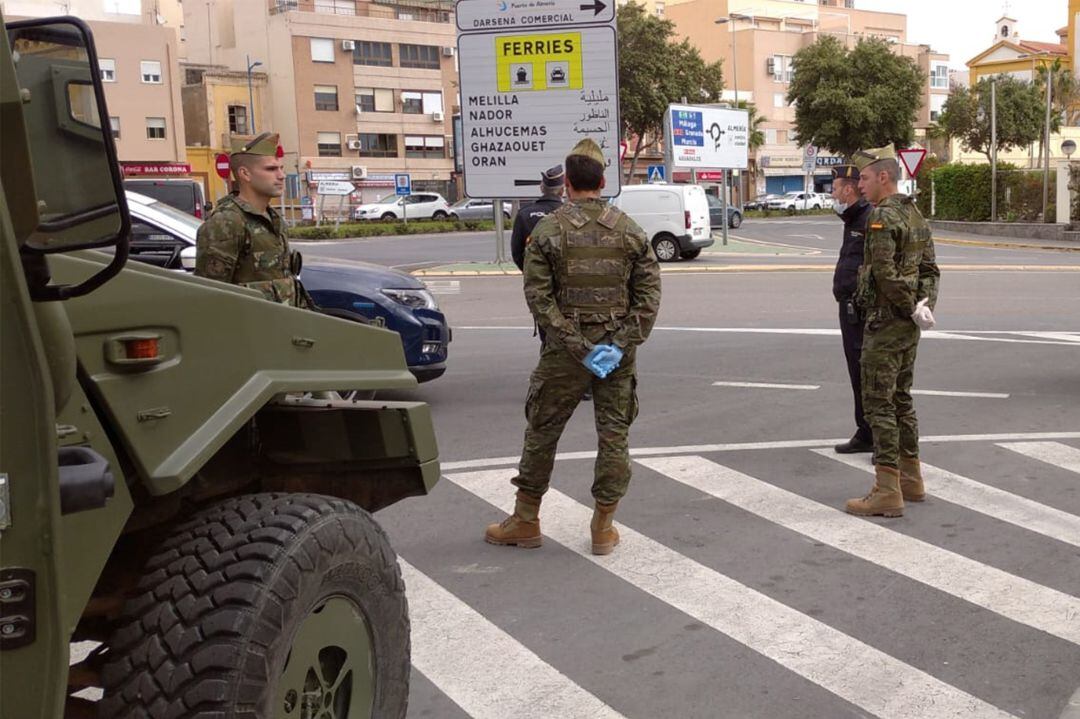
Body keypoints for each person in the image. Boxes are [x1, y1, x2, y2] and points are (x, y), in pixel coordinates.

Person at [484, 139, 661, 555]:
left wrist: (578, 347)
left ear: (567, 184)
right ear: (602, 181)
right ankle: (603, 527)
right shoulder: (630, 229)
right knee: (613, 436)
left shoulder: (547, 230)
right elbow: (648, 298)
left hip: (564, 354)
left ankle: (525, 520)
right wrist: (616, 345)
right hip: (616, 355)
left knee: (542, 432)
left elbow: (539, 300)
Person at [846, 144, 940, 518]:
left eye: (865, 179)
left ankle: (887, 489)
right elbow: (931, 270)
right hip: (907, 325)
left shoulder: (882, 217)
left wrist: (905, 306)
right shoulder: (915, 214)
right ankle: (911, 479)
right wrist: (923, 306)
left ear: (883, 176)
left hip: (885, 324)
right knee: (902, 398)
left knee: (879, 404)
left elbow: (884, 273)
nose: (860, 187)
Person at [195, 132, 309, 308]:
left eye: (281, 168)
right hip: (246, 331)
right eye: (271, 169)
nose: (281, 176)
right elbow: (209, 297)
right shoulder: (227, 222)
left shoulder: (273, 218)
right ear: (245, 174)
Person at [830, 163, 874, 454]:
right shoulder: (851, 220)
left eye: (835, 189)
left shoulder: (869, 218)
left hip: (862, 310)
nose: (832, 195)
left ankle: (878, 435)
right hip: (848, 309)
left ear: (849, 188)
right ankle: (865, 432)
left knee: (867, 374)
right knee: (855, 372)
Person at [510, 165, 565, 272]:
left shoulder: (524, 214)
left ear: (541, 188)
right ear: (562, 191)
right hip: (564, 280)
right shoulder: (571, 214)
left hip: (535, 280)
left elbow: (517, 252)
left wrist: (531, 273)